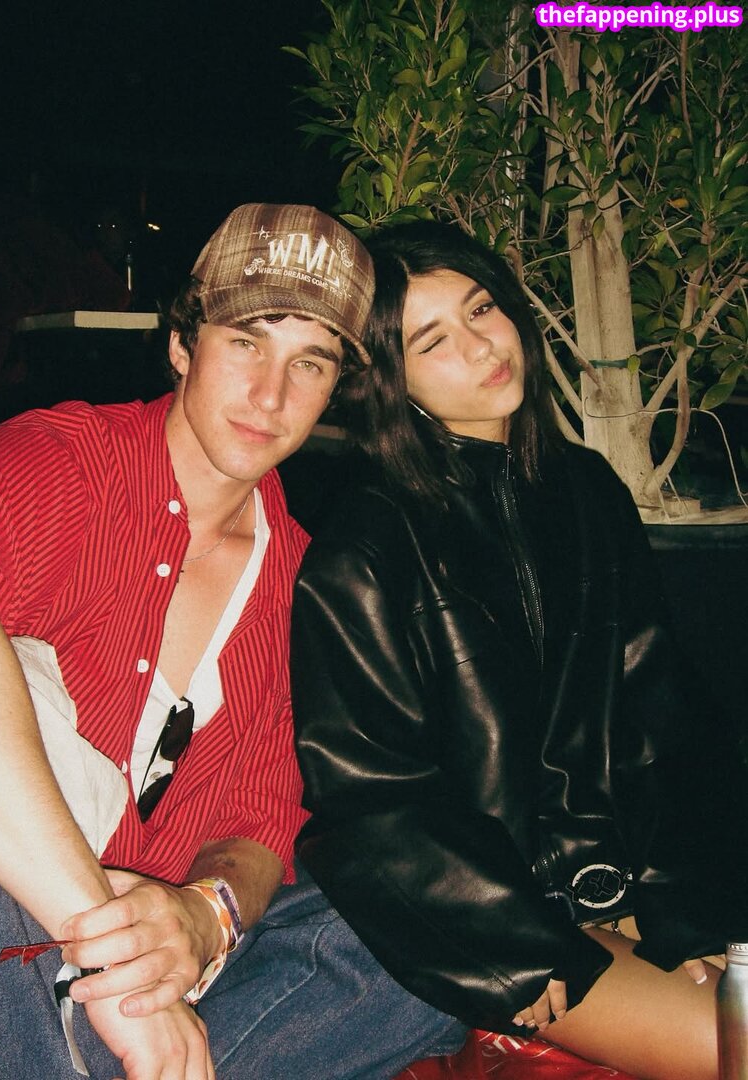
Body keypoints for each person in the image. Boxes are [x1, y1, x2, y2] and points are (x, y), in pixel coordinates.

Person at [0, 203, 465, 1080]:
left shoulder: (307, 583)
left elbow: (261, 826)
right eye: (247, 343)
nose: (271, 395)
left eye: (310, 362)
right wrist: (119, 972)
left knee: (438, 923)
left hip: (167, 950)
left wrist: (202, 916)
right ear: (184, 344)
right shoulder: (56, 464)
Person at [290, 219, 748, 1080]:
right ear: (392, 380)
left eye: (481, 309)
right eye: (432, 341)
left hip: (631, 881)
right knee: (737, 1051)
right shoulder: (368, 545)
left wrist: (686, 903)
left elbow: (662, 714)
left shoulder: (585, 490)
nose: (480, 346)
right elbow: (366, 795)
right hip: (516, 915)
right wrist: (510, 944)